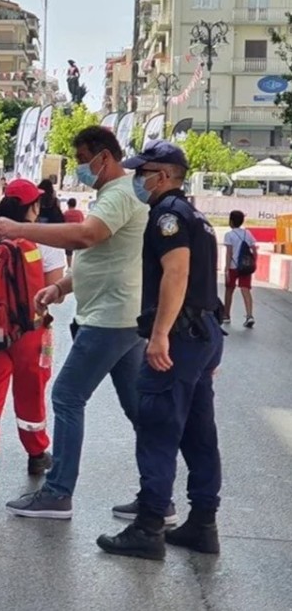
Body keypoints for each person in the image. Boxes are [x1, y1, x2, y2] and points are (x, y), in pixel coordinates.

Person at [0, 126, 160, 521]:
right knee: (139, 409)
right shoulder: (118, 193)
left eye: (84, 160)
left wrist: (19, 229)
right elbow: (108, 256)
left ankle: (58, 492)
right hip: (121, 315)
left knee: (67, 396)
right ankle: (157, 496)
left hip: (109, 319)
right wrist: (64, 286)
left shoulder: (120, 193)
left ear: (104, 156)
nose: (82, 168)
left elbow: (87, 236)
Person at [97, 142, 223, 561]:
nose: (138, 179)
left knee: (157, 426)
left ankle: (149, 526)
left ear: (164, 176)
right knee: (198, 432)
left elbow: (177, 271)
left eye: (143, 172)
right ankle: (203, 523)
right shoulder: (198, 217)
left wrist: (160, 334)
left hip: (181, 335)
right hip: (203, 331)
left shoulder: (167, 217)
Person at [0, 180, 65, 492]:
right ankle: (36, 454)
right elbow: (56, 292)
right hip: (31, 332)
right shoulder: (47, 241)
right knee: (31, 393)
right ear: (33, 208)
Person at [223, 210, 257, 328]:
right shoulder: (247, 233)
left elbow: (229, 253)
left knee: (229, 290)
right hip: (245, 266)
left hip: (233, 267)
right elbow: (254, 249)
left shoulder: (229, 235)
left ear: (231, 221)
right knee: (245, 289)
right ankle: (249, 315)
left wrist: (227, 268)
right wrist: (253, 262)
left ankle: (226, 315)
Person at [63, 198, 86, 268]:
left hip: (68, 236)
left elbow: (63, 223)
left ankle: (69, 267)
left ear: (68, 204)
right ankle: (77, 266)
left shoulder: (66, 213)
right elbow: (83, 222)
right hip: (78, 235)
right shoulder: (79, 213)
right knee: (78, 253)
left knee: (69, 253)